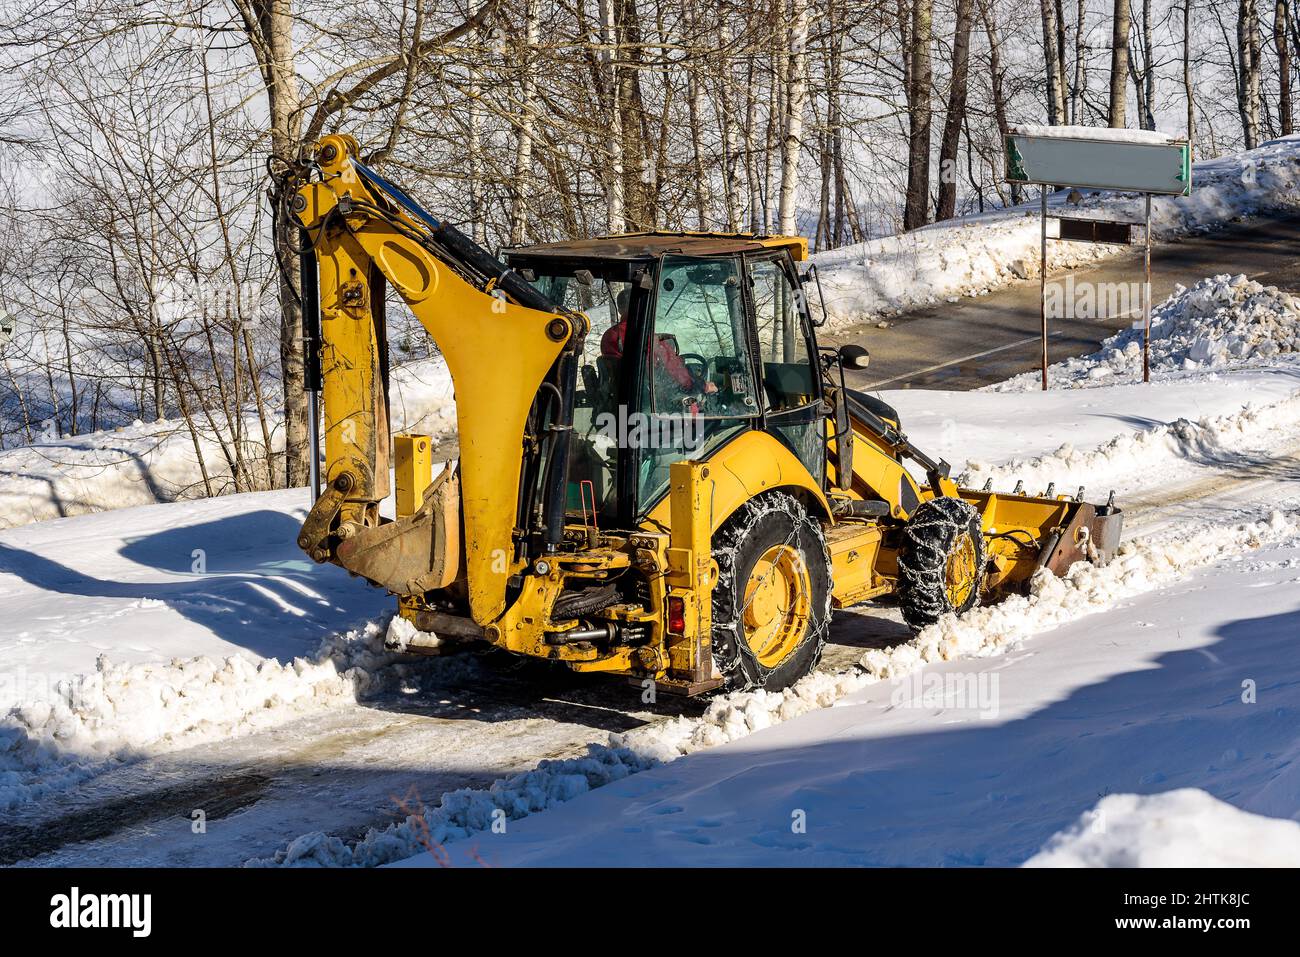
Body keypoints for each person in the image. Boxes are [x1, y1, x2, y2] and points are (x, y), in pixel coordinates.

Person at [600, 288, 718, 397]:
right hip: (649, 399)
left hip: (623, 397)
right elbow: (671, 367)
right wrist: (700, 386)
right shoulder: (644, 337)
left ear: (620, 309)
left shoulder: (608, 336)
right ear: (640, 307)